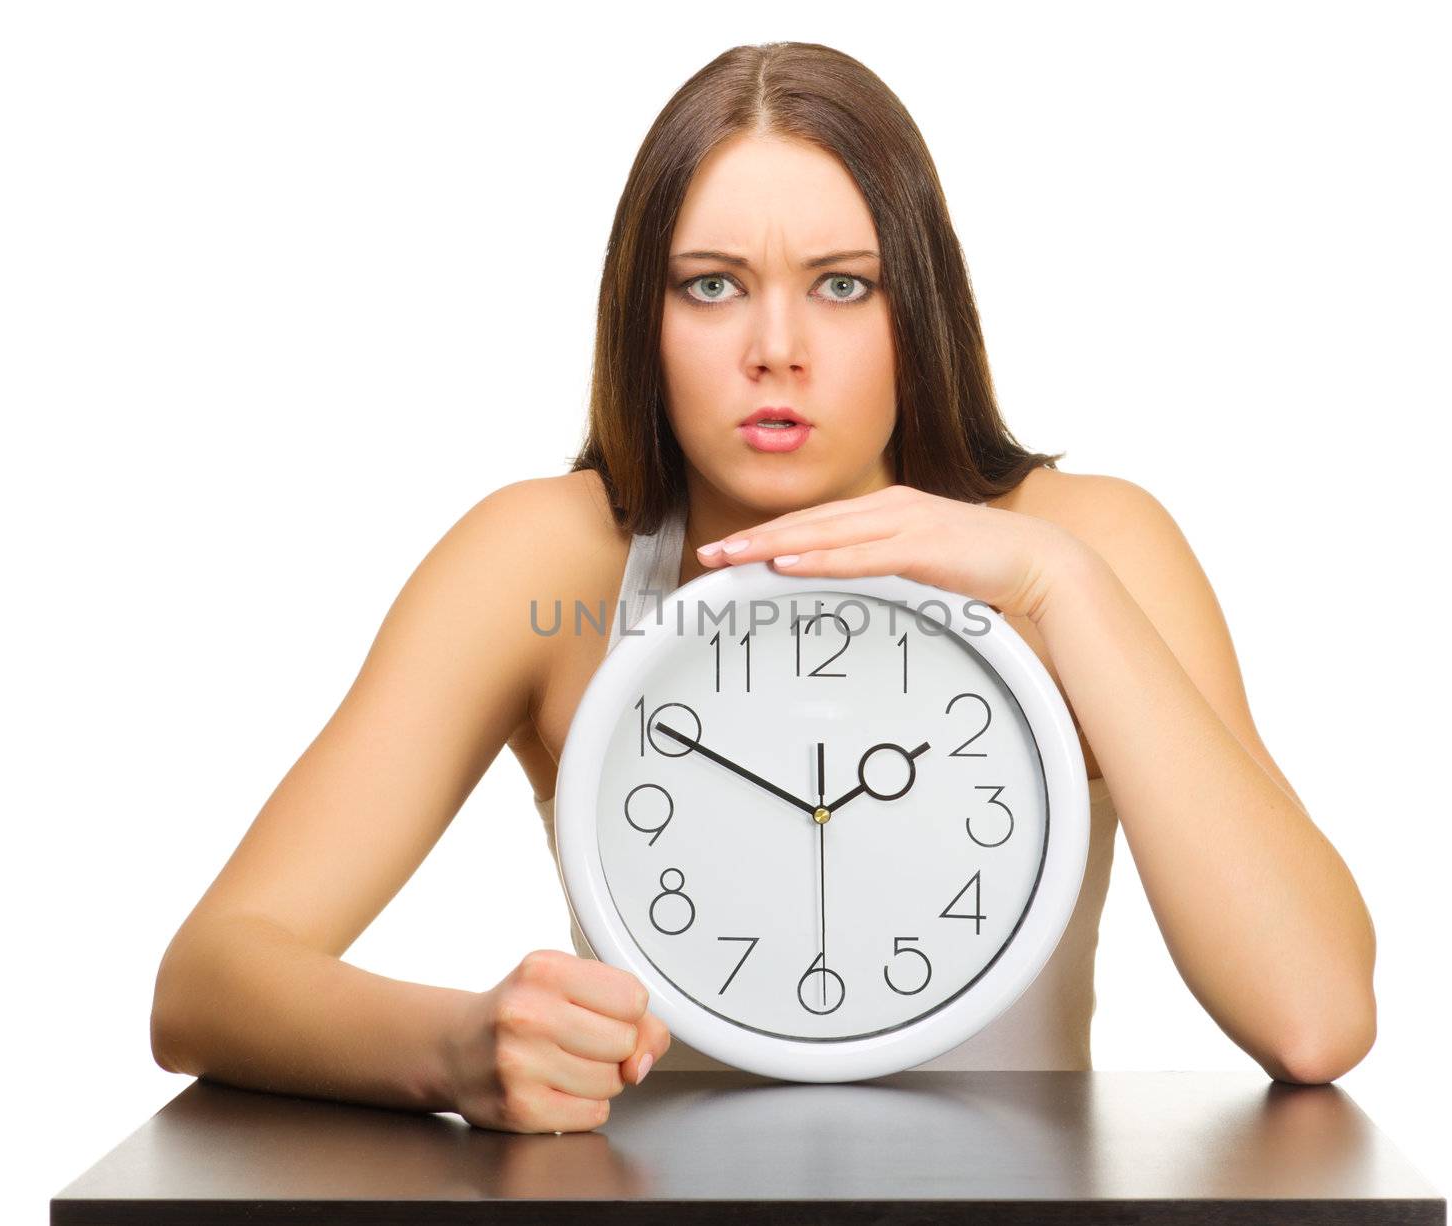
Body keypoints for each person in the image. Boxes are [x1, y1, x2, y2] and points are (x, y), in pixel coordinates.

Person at [150, 40, 1377, 1136]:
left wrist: (1053, 583)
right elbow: (208, 979)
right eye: (712, 284)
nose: (774, 347)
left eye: (842, 283)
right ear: (646, 317)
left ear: (920, 309)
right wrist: (457, 1047)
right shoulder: (547, 559)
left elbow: (1313, 1016)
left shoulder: (1086, 539)